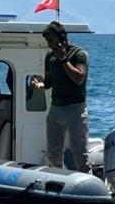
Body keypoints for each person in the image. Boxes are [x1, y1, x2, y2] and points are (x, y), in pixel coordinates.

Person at [30, 21, 92, 174]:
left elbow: (79, 78)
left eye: (51, 40)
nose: (49, 45)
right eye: (47, 41)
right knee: (53, 153)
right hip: (56, 109)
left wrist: (64, 59)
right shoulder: (49, 57)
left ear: (62, 37)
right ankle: (57, 180)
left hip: (75, 109)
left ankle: (88, 184)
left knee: (79, 152)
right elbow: (49, 82)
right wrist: (40, 85)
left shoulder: (79, 54)